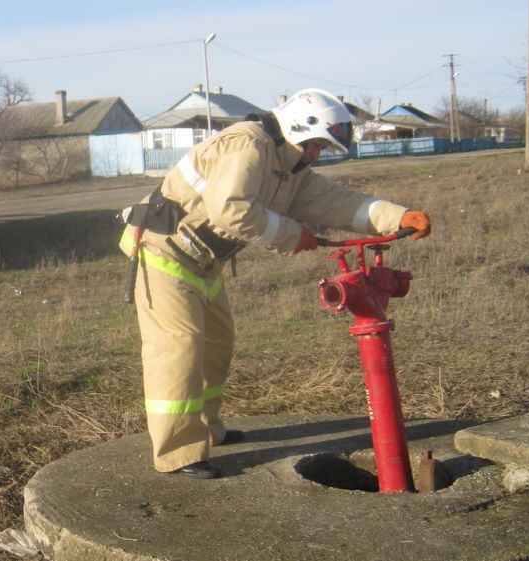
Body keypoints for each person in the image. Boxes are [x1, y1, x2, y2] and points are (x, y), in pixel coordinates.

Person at [119, 88, 431, 479]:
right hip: (162, 254)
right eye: (317, 144)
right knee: (178, 349)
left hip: (202, 262)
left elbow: (337, 201)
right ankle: (178, 453)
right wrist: (290, 234)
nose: (317, 154)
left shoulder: (289, 169)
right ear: (297, 130)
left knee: (218, 344)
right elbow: (230, 208)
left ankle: (207, 429)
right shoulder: (246, 145)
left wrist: (396, 217)